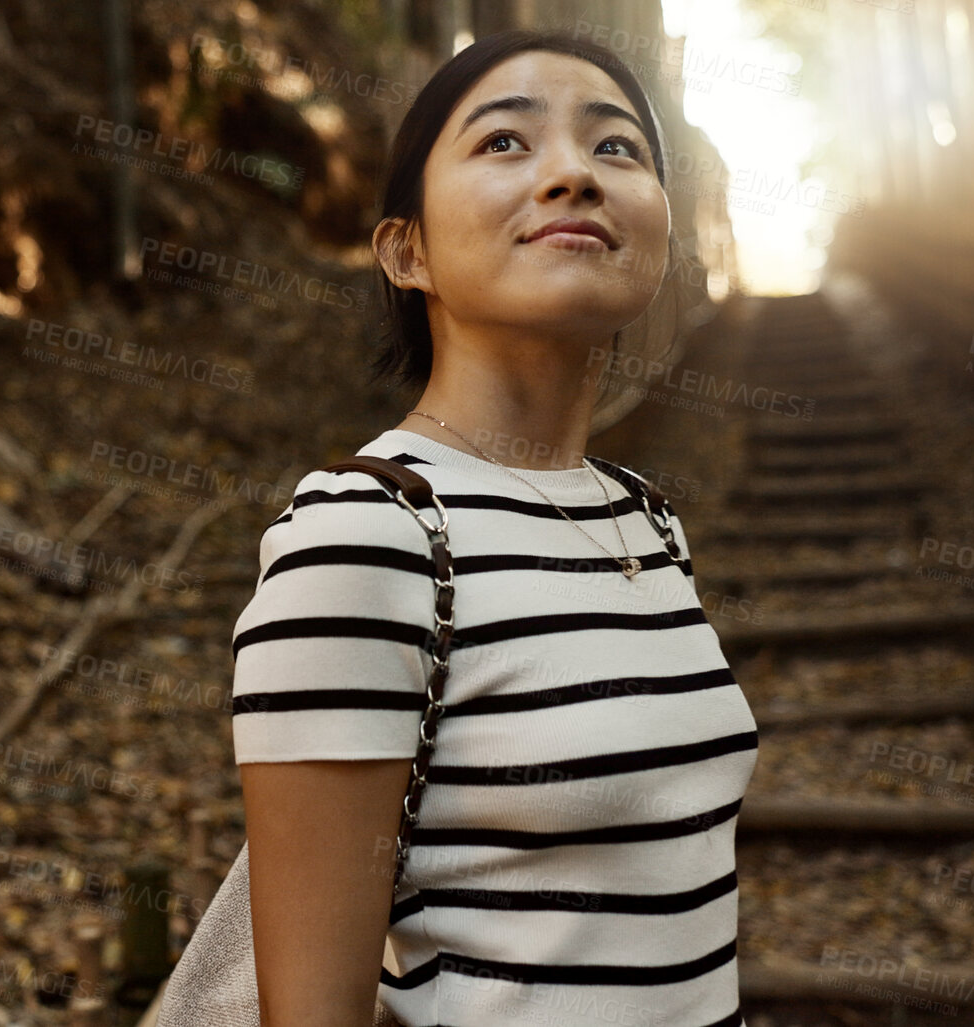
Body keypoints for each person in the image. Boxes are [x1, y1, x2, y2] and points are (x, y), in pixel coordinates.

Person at [230, 29, 759, 1027]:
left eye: (616, 149)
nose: (573, 174)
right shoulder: (364, 540)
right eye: (506, 143)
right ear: (407, 250)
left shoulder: (647, 520)